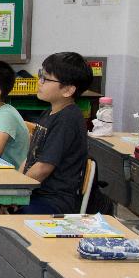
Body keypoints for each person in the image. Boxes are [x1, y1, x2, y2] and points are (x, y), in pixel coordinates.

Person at [21, 52, 93, 214]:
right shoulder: (50, 113)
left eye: (45, 79)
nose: (39, 82)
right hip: (37, 192)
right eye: (41, 75)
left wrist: (17, 191)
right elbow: (30, 159)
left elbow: (43, 168)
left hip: (53, 200)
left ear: (68, 90)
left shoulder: (67, 119)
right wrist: (9, 186)